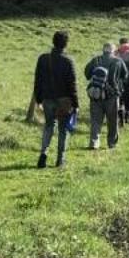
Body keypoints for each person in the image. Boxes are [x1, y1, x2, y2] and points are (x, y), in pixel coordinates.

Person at [34, 31, 79, 168]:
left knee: (48, 126)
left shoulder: (43, 58)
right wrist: (76, 103)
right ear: (66, 44)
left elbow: (37, 79)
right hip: (64, 100)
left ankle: (43, 154)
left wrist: (38, 98)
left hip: (47, 99)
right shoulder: (68, 61)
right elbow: (72, 84)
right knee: (63, 130)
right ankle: (60, 160)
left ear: (53, 42)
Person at [84, 43, 129, 150]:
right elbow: (125, 75)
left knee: (95, 120)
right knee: (112, 120)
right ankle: (111, 143)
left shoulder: (95, 60)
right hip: (112, 95)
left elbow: (87, 74)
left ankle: (94, 142)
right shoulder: (118, 61)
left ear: (103, 50)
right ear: (113, 51)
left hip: (96, 94)